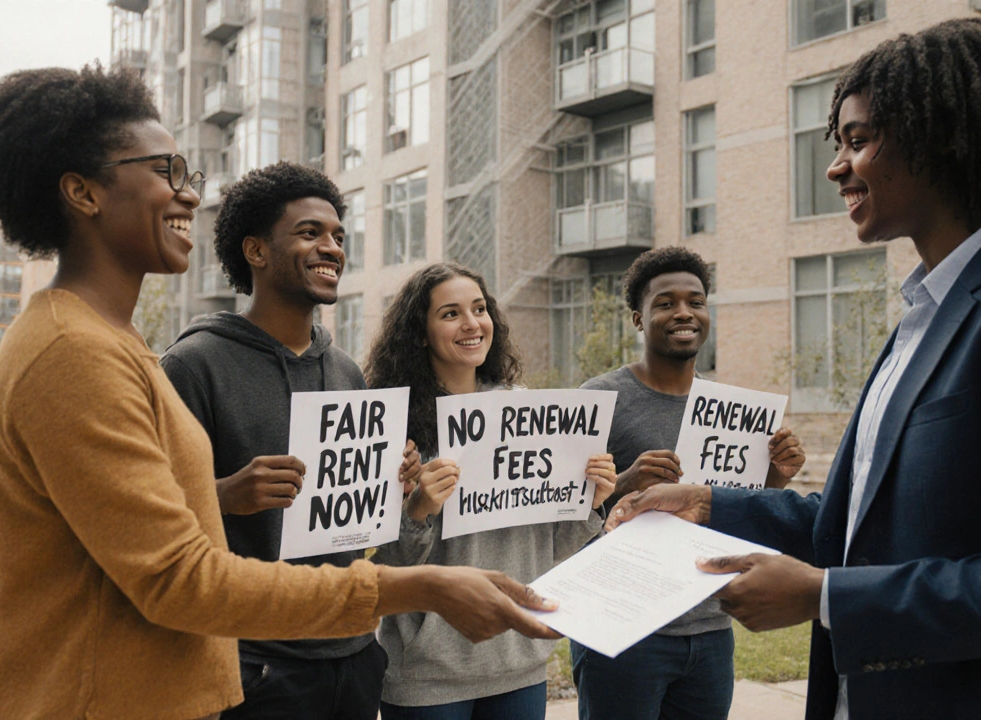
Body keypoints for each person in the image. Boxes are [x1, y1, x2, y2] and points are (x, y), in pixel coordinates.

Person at [0, 65, 557, 720]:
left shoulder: (112, 344)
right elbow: (179, 577)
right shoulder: (73, 354)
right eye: (165, 173)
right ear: (83, 192)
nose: (187, 197)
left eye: (188, 178)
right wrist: (422, 586)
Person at [609, 18, 981, 720]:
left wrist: (823, 597)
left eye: (859, 140)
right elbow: (869, 525)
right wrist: (710, 504)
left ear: (944, 137)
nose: (836, 168)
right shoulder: (923, 318)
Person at [160, 162, 421, 719]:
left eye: (338, 237)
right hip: (254, 666)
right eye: (310, 233)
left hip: (353, 655)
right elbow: (150, 518)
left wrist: (392, 480)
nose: (331, 248)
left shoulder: (348, 371)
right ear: (255, 251)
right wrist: (225, 493)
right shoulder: (192, 365)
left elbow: (357, 521)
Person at [365, 262, 618, 719]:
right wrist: (418, 508)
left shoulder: (528, 413)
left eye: (479, 309)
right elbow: (387, 568)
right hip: (427, 677)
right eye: (450, 313)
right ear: (419, 333)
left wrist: (589, 504)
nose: (471, 324)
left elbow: (550, 552)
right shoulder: (394, 429)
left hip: (519, 667)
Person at [570, 246, 806, 720]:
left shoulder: (728, 410)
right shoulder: (597, 399)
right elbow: (561, 517)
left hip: (710, 628)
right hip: (623, 628)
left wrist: (776, 475)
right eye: (665, 302)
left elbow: (740, 513)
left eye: (696, 301)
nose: (684, 312)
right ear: (639, 319)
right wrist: (623, 483)